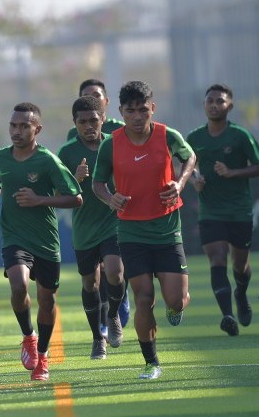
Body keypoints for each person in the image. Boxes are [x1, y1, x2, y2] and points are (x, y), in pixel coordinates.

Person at [93, 80, 195, 380]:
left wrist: (180, 183)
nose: (137, 116)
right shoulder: (111, 143)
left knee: (175, 299)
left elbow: (189, 157)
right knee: (143, 298)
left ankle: (176, 308)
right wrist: (111, 197)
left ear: (152, 107)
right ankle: (152, 362)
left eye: (142, 109)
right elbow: (98, 183)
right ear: (121, 112)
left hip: (166, 231)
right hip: (132, 233)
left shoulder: (167, 135)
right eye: (130, 111)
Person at [0, 102, 82, 381]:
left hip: (46, 242)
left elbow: (76, 197)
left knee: (47, 301)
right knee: (18, 284)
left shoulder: (47, 160)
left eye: (24, 125)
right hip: (14, 237)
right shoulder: (0, 157)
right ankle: (28, 337)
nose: (17, 130)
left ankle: (44, 357)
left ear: (37, 128)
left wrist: (40, 200)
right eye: (13, 125)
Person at [186, 84, 258, 336]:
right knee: (217, 258)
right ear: (204, 105)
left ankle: (240, 293)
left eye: (220, 101)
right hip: (210, 211)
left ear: (230, 106)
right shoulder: (194, 137)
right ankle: (227, 315)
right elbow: (185, 164)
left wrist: (233, 173)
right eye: (210, 101)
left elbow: (257, 165)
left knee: (240, 265)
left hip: (238, 211)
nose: (214, 104)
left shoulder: (240, 136)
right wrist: (195, 179)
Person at [57, 97, 126, 359]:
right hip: (84, 228)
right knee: (90, 283)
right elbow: (57, 193)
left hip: (113, 222)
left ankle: (112, 316)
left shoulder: (115, 146)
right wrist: (75, 179)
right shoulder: (66, 153)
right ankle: (98, 338)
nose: (88, 126)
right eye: (82, 121)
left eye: (93, 120)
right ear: (74, 124)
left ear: (103, 120)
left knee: (115, 273)